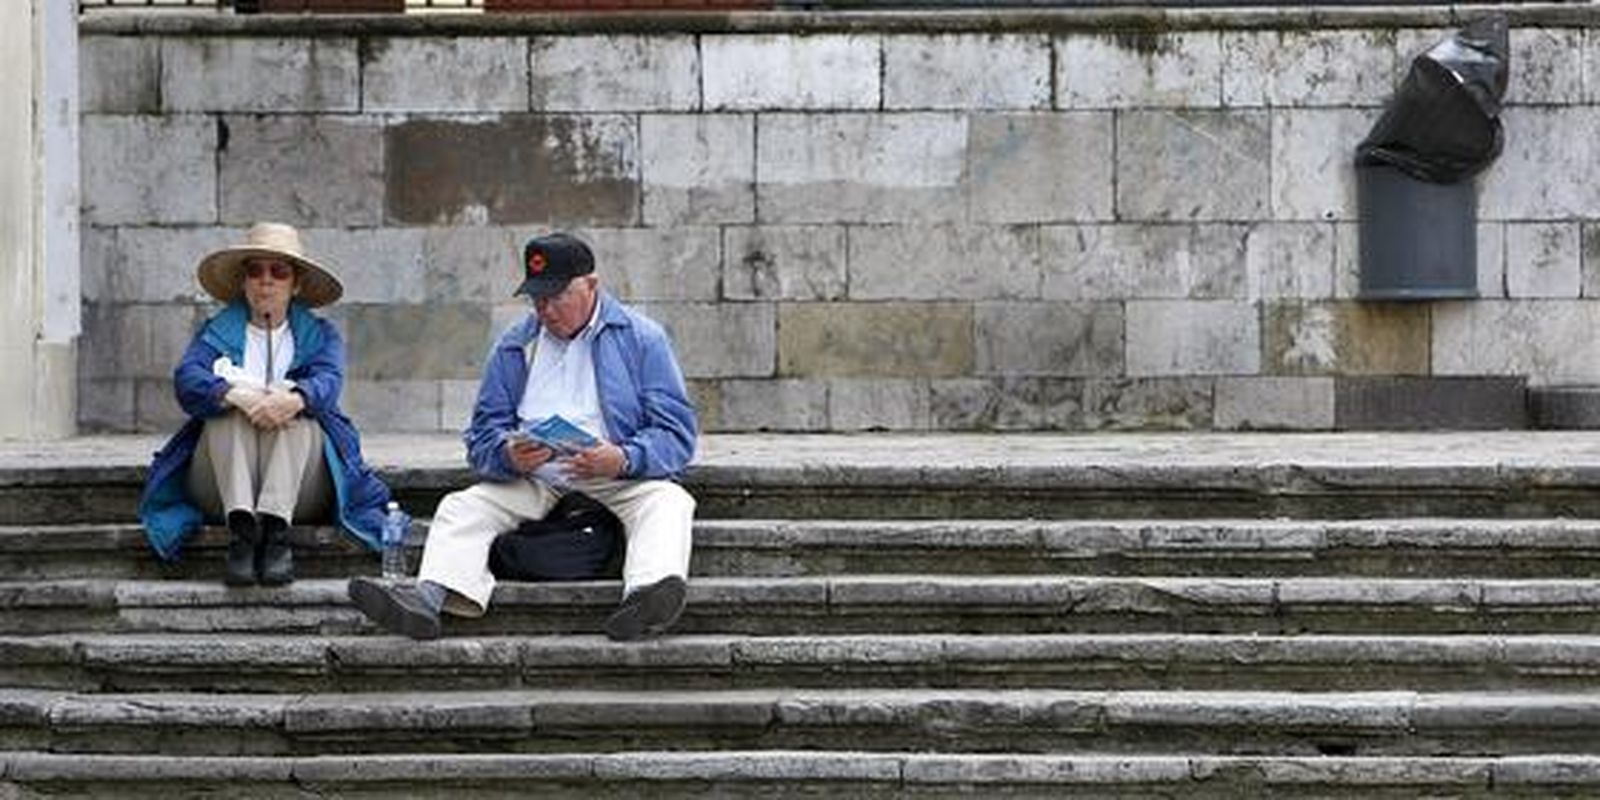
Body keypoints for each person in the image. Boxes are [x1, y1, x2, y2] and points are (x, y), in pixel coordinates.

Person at [348, 232, 697, 642]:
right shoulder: (515, 344)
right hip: (536, 477)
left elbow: (676, 435)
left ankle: (644, 600)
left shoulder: (642, 338)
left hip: (615, 474)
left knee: (668, 501)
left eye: (557, 296)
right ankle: (427, 600)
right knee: (462, 506)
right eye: (537, 298)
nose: (546, 309)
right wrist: (507, 455)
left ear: (591, 285)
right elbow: (482, 435)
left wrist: (623, 458)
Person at [139, 222, 395, 586]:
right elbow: (187, 379)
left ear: (296, 284)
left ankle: (275, 537)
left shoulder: (321, 336)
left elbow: (328, 382)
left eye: (279, 272)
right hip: (221, 486)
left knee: (299, 415)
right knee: (225, 414)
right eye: (255, 271)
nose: (266, 281)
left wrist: (291, 400)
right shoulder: (215, 333)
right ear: (244, 282)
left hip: (301, 490)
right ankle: (243, 537)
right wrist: (237, 396)